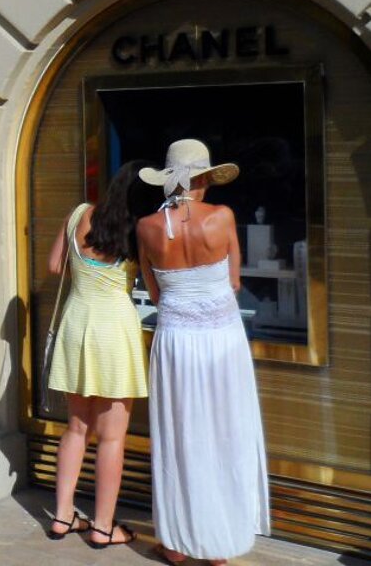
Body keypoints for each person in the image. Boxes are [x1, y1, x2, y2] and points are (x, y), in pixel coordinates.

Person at [136, 139, 270, 565]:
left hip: (176, 339)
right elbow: (233, 282)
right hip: (222, 340)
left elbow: (154, 293)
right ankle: (220, 544)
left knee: (180, 434)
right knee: (225, 430)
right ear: (205, 178)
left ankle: (177, 542)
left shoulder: (146, 226)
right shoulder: (224, 217)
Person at [46, 160, 152, 549]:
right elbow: (157, 289)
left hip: (77, 322)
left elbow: (54, 265)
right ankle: (103, 526)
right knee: (111, 438)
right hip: (115, 330)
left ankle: (62, 515)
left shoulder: (78, 214)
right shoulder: (141, 231)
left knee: (76, 427)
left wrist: (85, 268)